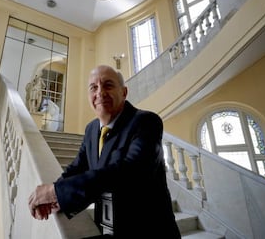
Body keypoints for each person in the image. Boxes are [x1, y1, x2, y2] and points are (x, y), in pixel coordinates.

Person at [28, 65, 181, 238]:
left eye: (108, 85)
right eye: (94, 87)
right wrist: (55, 197)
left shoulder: (146, 122)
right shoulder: (91, 129)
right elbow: (78, 167)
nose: (100, 92)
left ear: (124, 92)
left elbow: (128, 172)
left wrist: (55, 191)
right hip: (106, 229)